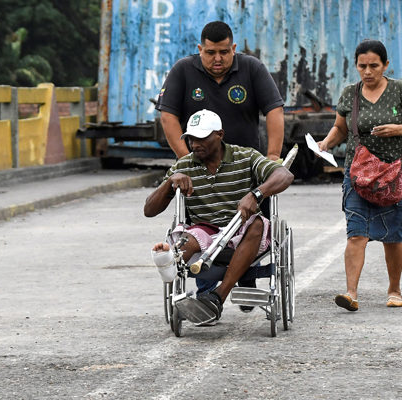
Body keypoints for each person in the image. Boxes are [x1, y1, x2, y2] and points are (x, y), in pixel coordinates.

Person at [144, 109, 293, 323]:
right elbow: (149, 210)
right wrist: (170, 183)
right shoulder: (184, 165)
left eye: (201, 138)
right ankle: (170, 264)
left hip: (243, 229)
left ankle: (216, 298)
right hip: (205, 231)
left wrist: (256, 194)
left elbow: (284, 175)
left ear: (219, 135)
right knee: (189, 237)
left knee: (259, 223)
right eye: (191, 139)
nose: (195, 144)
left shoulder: (246, 156)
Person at [318, 39, 402, 311]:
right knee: (356, 233)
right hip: (357, 174)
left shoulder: (399, 90)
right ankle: (351, 293)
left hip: (393, 174)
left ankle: (394, 290)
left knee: (394, 236)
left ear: (386, 65)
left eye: (374, 66)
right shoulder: (350, 94)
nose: (367, 71)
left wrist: (398, 129)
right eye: (362, 66)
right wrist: (326, 143)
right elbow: (340, 129)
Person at [155, 21, 284, 160]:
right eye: (210, 52)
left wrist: (273, 155)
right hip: (198, 165)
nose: (217, 59)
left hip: (245, 166)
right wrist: (186, 160)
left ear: (233, 49)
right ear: (200, 49)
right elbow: (168, 116)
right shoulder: (182, 70)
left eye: (224, 52)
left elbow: (275, 110)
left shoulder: (252, 68)